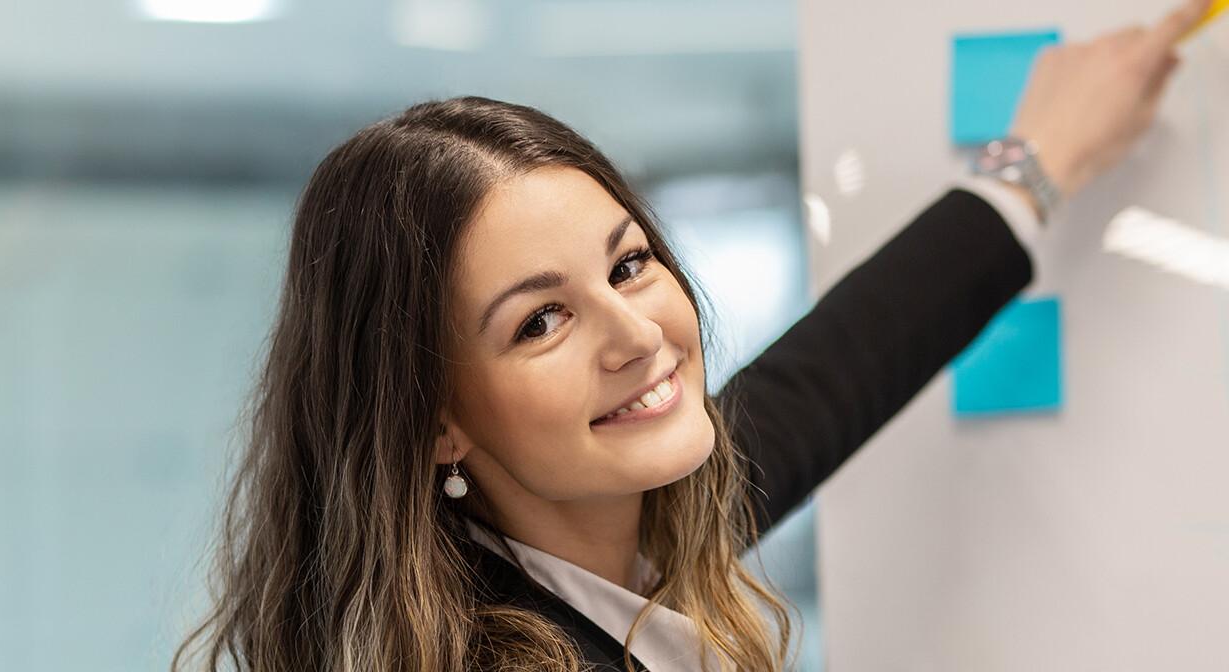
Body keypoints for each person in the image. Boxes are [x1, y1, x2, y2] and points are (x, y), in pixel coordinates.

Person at [172, 1, 1210, 669]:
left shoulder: (612, 532)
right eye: (542, 321)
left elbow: (831, 375)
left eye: (629, 264)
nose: (638, 334)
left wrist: (1035, 166)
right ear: (437, 419)